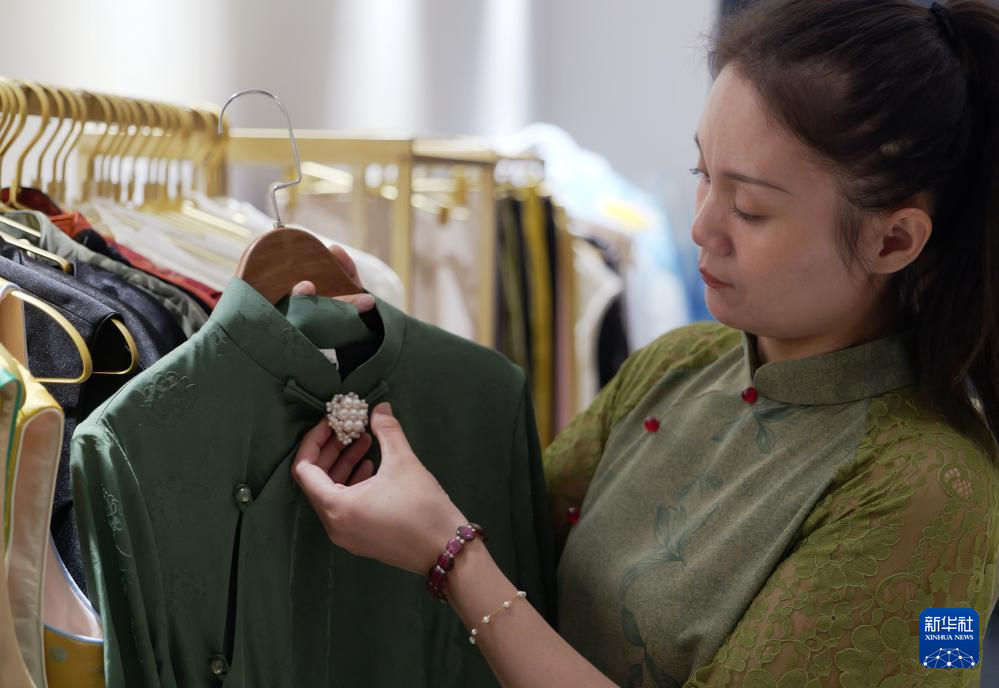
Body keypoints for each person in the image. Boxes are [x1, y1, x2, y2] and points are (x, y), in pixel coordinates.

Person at [290, 1, 999, 685]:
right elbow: (514, 530)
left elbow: (473, 551)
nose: (701, 226)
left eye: (749, 208)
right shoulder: (680, 364)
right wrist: (372, 350)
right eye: (702, 176)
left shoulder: (935, 492)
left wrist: (453, 559)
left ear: (893, 240)